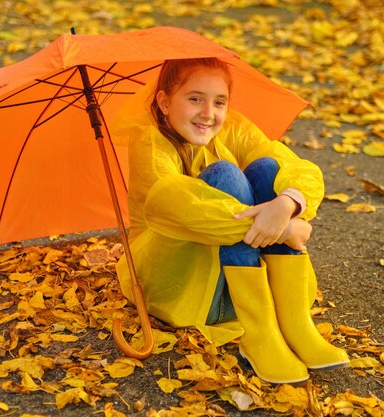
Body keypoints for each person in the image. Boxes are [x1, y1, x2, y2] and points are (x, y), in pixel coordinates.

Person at [114, 57, 349, 384]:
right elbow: (180, 206)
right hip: (183, 286)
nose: (209, 113)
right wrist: (284, 229)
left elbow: (297, 168)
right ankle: (259, 334)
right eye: (195, 98)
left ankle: (294, 323)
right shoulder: (151, 144)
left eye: (219, 101)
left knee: (268, 169)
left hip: (250, 285)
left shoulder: (232, 128)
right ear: (165, 101)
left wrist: (288, 203)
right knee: (225, 175)